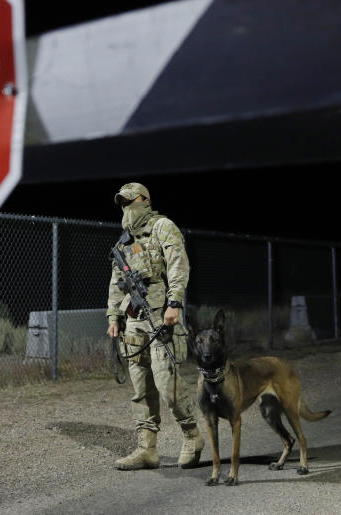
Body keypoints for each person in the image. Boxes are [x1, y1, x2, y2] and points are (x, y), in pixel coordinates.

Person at [106, 182, 203, 470]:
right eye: (122, 203)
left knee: (166, 382)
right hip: (133, 320)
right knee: (140, 386)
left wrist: (174, 302)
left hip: (161, 314)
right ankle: (146, 449)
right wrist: (113, 316)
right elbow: (116, 282)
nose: (126, 208)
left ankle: (192, 436)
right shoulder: (124, 241)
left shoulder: (163, 227)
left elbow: (178, 265)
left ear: (144, 200)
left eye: (130, 201)